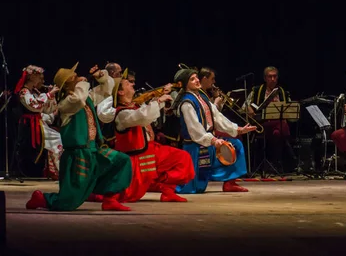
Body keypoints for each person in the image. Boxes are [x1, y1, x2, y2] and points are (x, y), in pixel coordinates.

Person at [25, 62, 132, 211]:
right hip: (77, 155)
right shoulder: (65, 104)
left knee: (122, 161)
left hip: (94, 150)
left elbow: (107, 90)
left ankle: (109, 199)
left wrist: (101, 77)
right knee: (68, 203)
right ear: (68, 84)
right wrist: (83, 83)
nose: (78, 77)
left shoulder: (86, 97)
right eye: (74, 77)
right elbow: (78, 100)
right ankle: (42, 199)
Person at [110, 69, 195, 202]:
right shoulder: (122, 114)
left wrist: (159, 98)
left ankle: (167, 191)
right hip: (137, 159)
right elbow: (143, 116)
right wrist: (159, 101)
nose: (133, 84)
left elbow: (145, 113)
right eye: (128, 83)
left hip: (151, 151)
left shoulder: (134, 107)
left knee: (182, 158)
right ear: (120, 92)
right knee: (127, 195)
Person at [174, 67, 256, 194]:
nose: (197, 80)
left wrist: (237, 129)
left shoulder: (202, 97)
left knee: (236, 144)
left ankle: (230, 183)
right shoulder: (187, 103)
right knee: (192, 188)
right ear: (185, 84)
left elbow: (217, 117)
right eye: (192, 79)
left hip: (208, 143)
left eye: (196, 77)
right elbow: (195, 129)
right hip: (195, 146)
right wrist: (213, 140)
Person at [244, 66, 297, 172]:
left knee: (277, 133)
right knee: (282, 125)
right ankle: (287, 157)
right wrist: (248, 108)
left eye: (274, 76)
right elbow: (245, 104)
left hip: (277, 127)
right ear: (265, 78)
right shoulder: (257, 90)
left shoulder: (282, 91)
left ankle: (273, 163)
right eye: (270, 77)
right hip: (261, 123)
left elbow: (289, 109)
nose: (272, 79)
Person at [14, 65, 61, 179]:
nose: (42, 80)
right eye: (40, 77)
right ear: (32, 77)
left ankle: (54, 170)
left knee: (56, 138)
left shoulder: (34, 92)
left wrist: (51, 96)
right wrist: (49, 95)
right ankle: (56, 170)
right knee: (56, 139)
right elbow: (34, 105)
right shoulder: (24, 92)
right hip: (30, 126)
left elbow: (45, 109)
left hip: (37, 123)